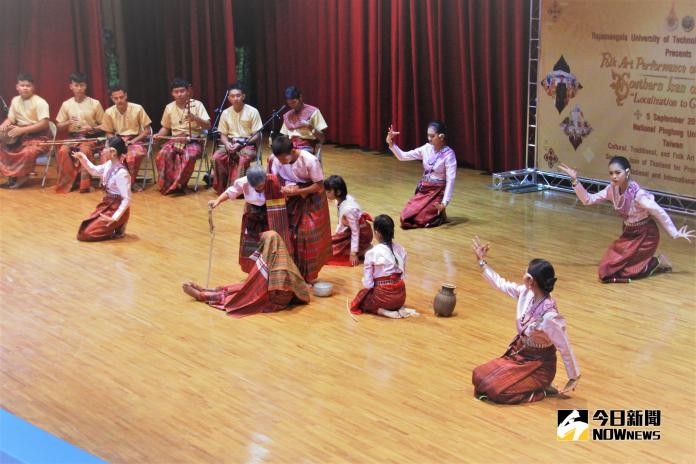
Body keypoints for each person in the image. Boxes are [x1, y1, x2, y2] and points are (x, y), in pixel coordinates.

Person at [470, 236, 580, 404]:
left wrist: (573, 376)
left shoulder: (550, 317)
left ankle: (542, 388)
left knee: (497, 391)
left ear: (531, 281)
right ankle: (531, 384)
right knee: (479, 376)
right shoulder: (526, 293)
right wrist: (481, 261)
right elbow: (501, 284)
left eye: (525, 273)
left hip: (540, 365)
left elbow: (564, 346)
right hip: (520, 354)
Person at [559, 157, 694, 283]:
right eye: (611, 173)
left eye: (618, 172)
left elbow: (659, 211)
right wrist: (575, 181)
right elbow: (588, 199)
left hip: (646, 235)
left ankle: (658, 262)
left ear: (627, 172)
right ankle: (645, 261)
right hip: (628, 233)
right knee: (607, 269)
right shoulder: (611, 189)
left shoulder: (638, 195)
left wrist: (675, 232)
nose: (614, 177)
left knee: (628, 272)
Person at [182, 231, 310, 317]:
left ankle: (204, 295)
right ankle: (208, 290)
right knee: (245, 286)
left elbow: (277, 288)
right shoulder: (280, 256)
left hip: (275, 299)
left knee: (246, 292)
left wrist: (257, 288)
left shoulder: (278, 265)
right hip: (275, 292)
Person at [268, 135, 332, 282]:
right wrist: (285, 189)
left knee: (306, 234)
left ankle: (308, 275)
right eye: (279, 160)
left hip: (311, 195)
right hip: (292, 195)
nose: (281, 162)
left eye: (284, 159)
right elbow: (275, 178)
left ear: (292, 151)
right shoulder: (276, 159)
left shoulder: (309, 160)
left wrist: (298, 191)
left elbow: (319, 185)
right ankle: (293, 271)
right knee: (288, 233)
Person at [208, 164, 293, 272]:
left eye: (262, 186)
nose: (260, 189)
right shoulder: (243, 182)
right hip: (252, 216)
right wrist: (218, 201)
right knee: (252, 246)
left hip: (271, 215)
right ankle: (254, 273)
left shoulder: (273, 180)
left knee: (272, 244)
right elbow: (231, 192)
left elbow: (285, 193)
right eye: (257, 188)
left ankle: (274, 271)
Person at [386, 121, 457, 229]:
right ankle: (437, 214)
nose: (429, 138)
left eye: (432, 136)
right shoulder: (426, 148)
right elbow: (403, 156)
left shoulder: (449, 155)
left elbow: (450, 181)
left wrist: (444, 202)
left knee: (421, 219)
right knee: (406, 216)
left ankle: (440, 216)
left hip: (438, 191)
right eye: (428, 135)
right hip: (425, 189)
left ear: (441, 136)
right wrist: (391, 143)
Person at [350, 214, 416, 318]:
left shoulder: (372, 253)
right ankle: (398, 308)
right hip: (401, 297)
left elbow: (368, 284)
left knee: (363, 299)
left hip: (384, 298)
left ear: (376, 233)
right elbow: (402, 276)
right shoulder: (401, 250)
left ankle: (384, 311)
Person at [155, 78, 210, 194]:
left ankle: (179, 185)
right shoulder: (169, 107)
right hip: (175, 140)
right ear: (172, 93)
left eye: (182, 91)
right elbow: (165, 127)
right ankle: (167, 185)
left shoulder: (197, 105)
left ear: (187, 92)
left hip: (193, 140)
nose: (179, 94)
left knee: (189, 155)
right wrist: (159, 135)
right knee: (162, 154)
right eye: (176, 92)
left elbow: (208, 125)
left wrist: (195, 118)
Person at [55, 72, 105, 193]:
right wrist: (67, 122)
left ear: (85, 86)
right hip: (73, 138)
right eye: (76, 85)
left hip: (90, 138)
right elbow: (58, 126)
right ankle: (69, 183)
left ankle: (85, 184)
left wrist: (92, 129)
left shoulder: (95, 103)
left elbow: (105, 125)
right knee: (62, 151)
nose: (79, 88)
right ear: (71, 86)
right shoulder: (66, 104)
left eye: (81, 85)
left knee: (84, 151)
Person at [73, 136, 131, 241]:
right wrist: (83, 158)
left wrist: (115, 217)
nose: (103, 150)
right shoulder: (109, 164)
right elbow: (94, 171)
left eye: (106, 148)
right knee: (84, 230)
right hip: (108, 203)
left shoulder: (122, 173)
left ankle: (121, 221)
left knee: (87, 234)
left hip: (116, 207)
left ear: (113, 152)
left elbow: (126, 199)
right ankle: (117, 226)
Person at [0, 73, 50, 189]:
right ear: (17, 87)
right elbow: (11, 118)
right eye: (22, 85)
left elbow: (44, 123)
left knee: (27, 152)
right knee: (4, 148)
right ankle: (12, 176)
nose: (25, 88)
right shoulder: (15, 100)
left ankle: (22, 177)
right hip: (19, 136)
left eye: (28, 85)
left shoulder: (40, 102)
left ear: (33, 87)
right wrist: (3, 125)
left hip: (39, 138)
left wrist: (22, 130)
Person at [100, 84, 153, 192]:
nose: (119, 100)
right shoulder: (109, 112)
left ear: (126, 95)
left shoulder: (137, 108)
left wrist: (133, 140)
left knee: (131, 156)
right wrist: (117, 141)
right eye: (116, 98)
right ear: (112, 99)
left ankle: (131, 183)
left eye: (121, 97)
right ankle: (112, 184)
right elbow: (108, 133)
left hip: (135, 140)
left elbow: (147, 130)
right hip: (117, 141)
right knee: (106, 154)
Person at [211, 83, 262, 194]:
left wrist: (242, 143)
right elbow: (223, 135)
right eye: (232, 96)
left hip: (247, 143)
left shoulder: (253, 111)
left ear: (243, 96)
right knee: (216, 157)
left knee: (243, 158)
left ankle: (237, 189)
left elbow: (256, 135)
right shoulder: (225, 113)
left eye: (238, 95)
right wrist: (226, 144)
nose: (235, 98)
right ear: (229, 98)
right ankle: (222, 187)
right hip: (230, 142)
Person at [323, 174, 373, 266]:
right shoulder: (340, 200)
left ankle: (365, 249)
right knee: (327, 245)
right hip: (350, 231)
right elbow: (341, 222)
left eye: (328, 191)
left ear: (338, 192)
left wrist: (353, 253)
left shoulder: (349, 209)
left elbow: (355, 231)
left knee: (331, 255)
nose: (326, 193)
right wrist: (337, 236)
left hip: (362, 235)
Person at [279, 86, 327, 154]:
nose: (292, 106)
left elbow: (322, 138)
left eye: (294, 102)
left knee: (298, 156)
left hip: (307, 147)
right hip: (291, 146)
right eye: (289, 104)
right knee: (274, 157)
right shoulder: (288, 115)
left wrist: (310, 126)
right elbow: (285, 136)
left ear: (300, 97)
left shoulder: (313, 111)